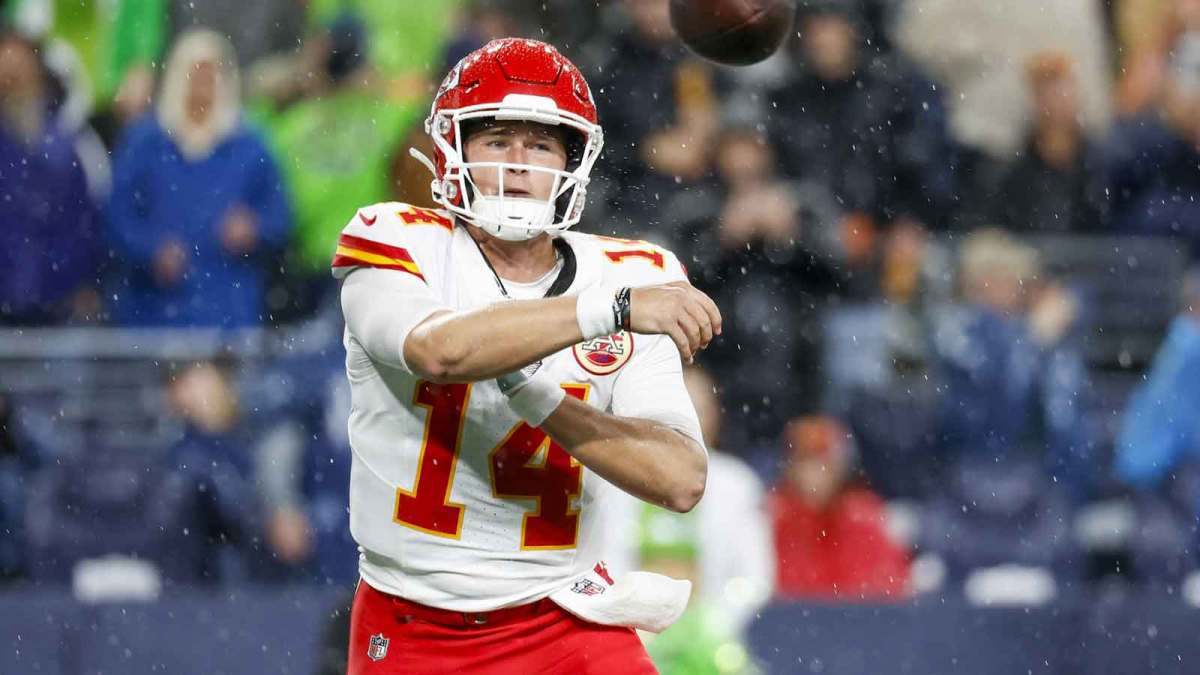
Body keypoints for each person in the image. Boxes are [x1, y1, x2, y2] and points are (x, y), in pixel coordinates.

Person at [335, 39, 722, 674]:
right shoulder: (396, 238)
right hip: (415, 623)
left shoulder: (633, 271)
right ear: (454, 150)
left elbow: (680, 480)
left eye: (541, 145)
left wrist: (536, 394)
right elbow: (440, 351)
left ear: (573, 161)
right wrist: (607, 310)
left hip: (567, 617)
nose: (519, 165)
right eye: (496, 141)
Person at [106, 29, 292, 327]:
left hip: (228, 307)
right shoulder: (145, 142)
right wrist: (150, 249)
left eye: (213, 73)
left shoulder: (250, 144)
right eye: (195, 72)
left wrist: (254, 228)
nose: (204, 83)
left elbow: (280, 215)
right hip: (153, 310)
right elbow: (117, 216)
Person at [768, 416, 911, 601]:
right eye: (805, 459)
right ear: (790, 466)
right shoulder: (771, 520)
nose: (815, 471)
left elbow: (890, 593)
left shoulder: (865, 518)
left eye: (823, 461)